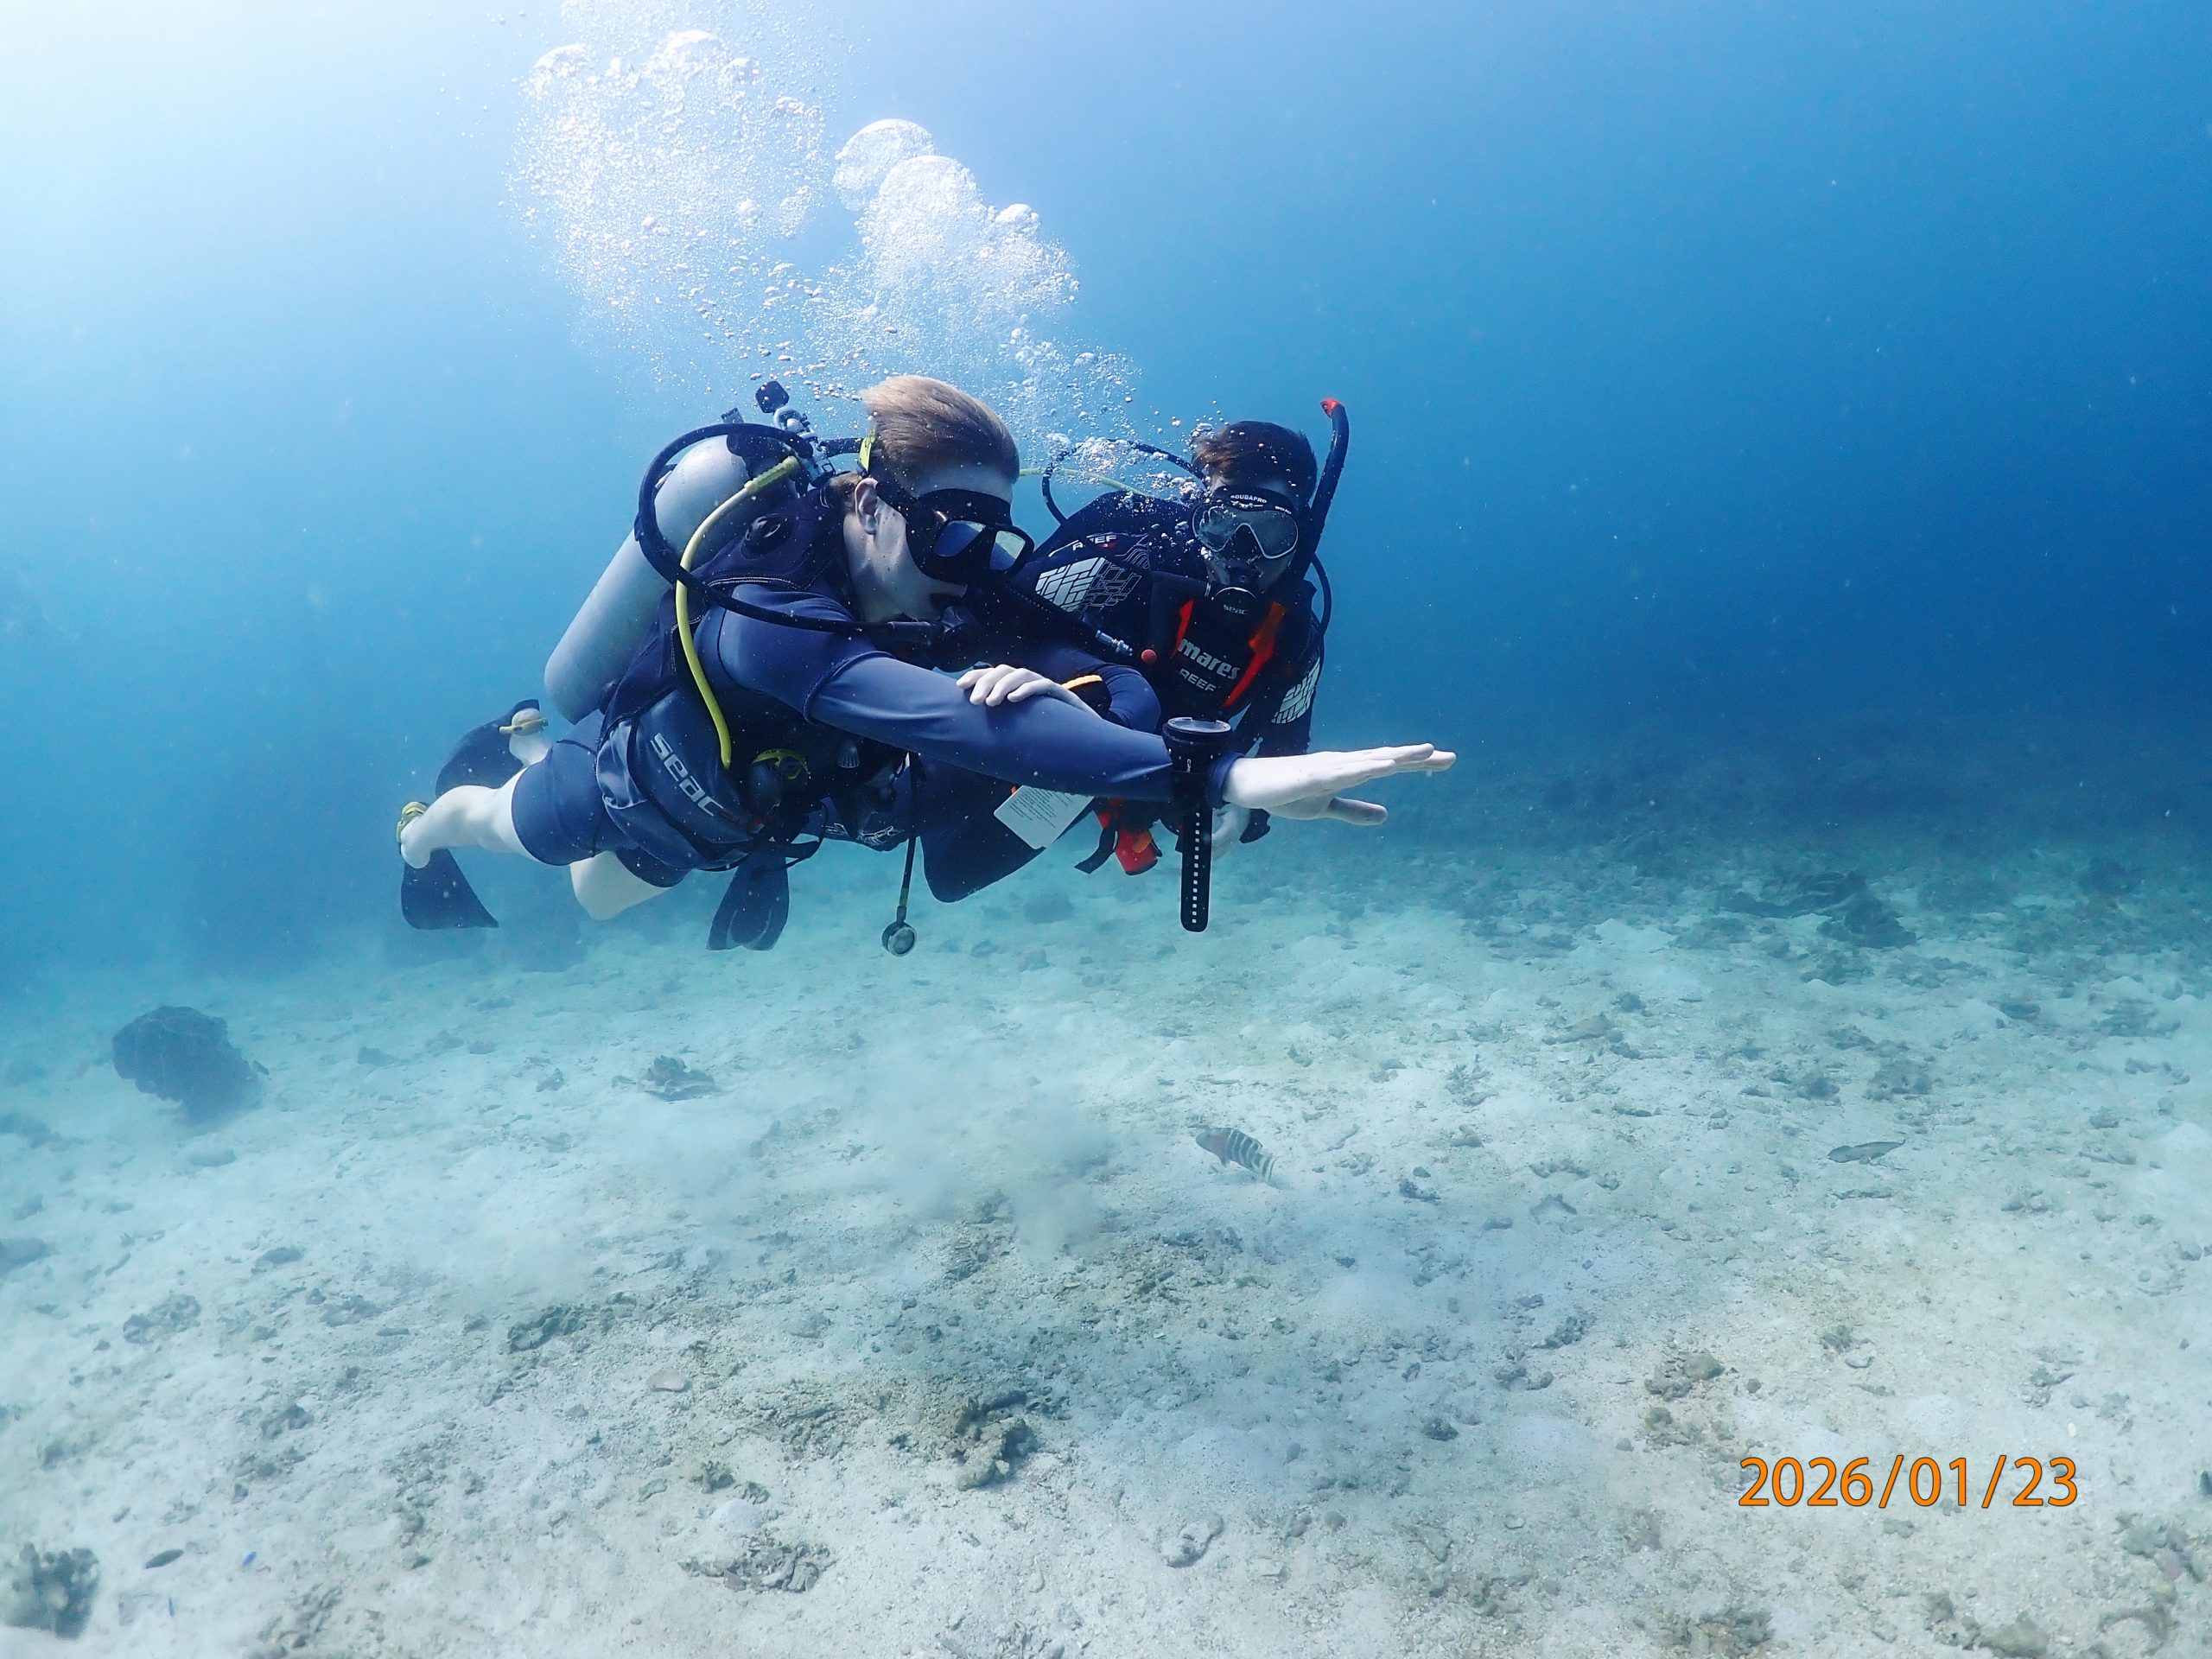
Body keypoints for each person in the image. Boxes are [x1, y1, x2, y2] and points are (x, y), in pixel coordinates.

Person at [396, 376, 1451, 944]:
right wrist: (1217, 775)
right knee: (508, 837)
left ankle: (554, 774)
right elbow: (931, 715)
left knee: (610, 897)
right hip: (645, 782)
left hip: (769, 809)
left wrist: (1088, 696)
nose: (970, 571)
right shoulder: (768, 608)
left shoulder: (952, 585)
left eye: (990, 541)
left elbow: (1095, 668)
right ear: (866, 502)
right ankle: (432, 821)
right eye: (947, 534)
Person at [917, 410, 1341, 897]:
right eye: (1222, 525)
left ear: (1301, 533)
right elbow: (991, 619)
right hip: (1023, 720)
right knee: (893, 811)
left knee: (953, 876)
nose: (1241, 554)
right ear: (1199, 512)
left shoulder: (1294, 638)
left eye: (1270, 533)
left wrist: (1245, 807)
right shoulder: (1131, 551)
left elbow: (1285, 755)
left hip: (1111, 782)